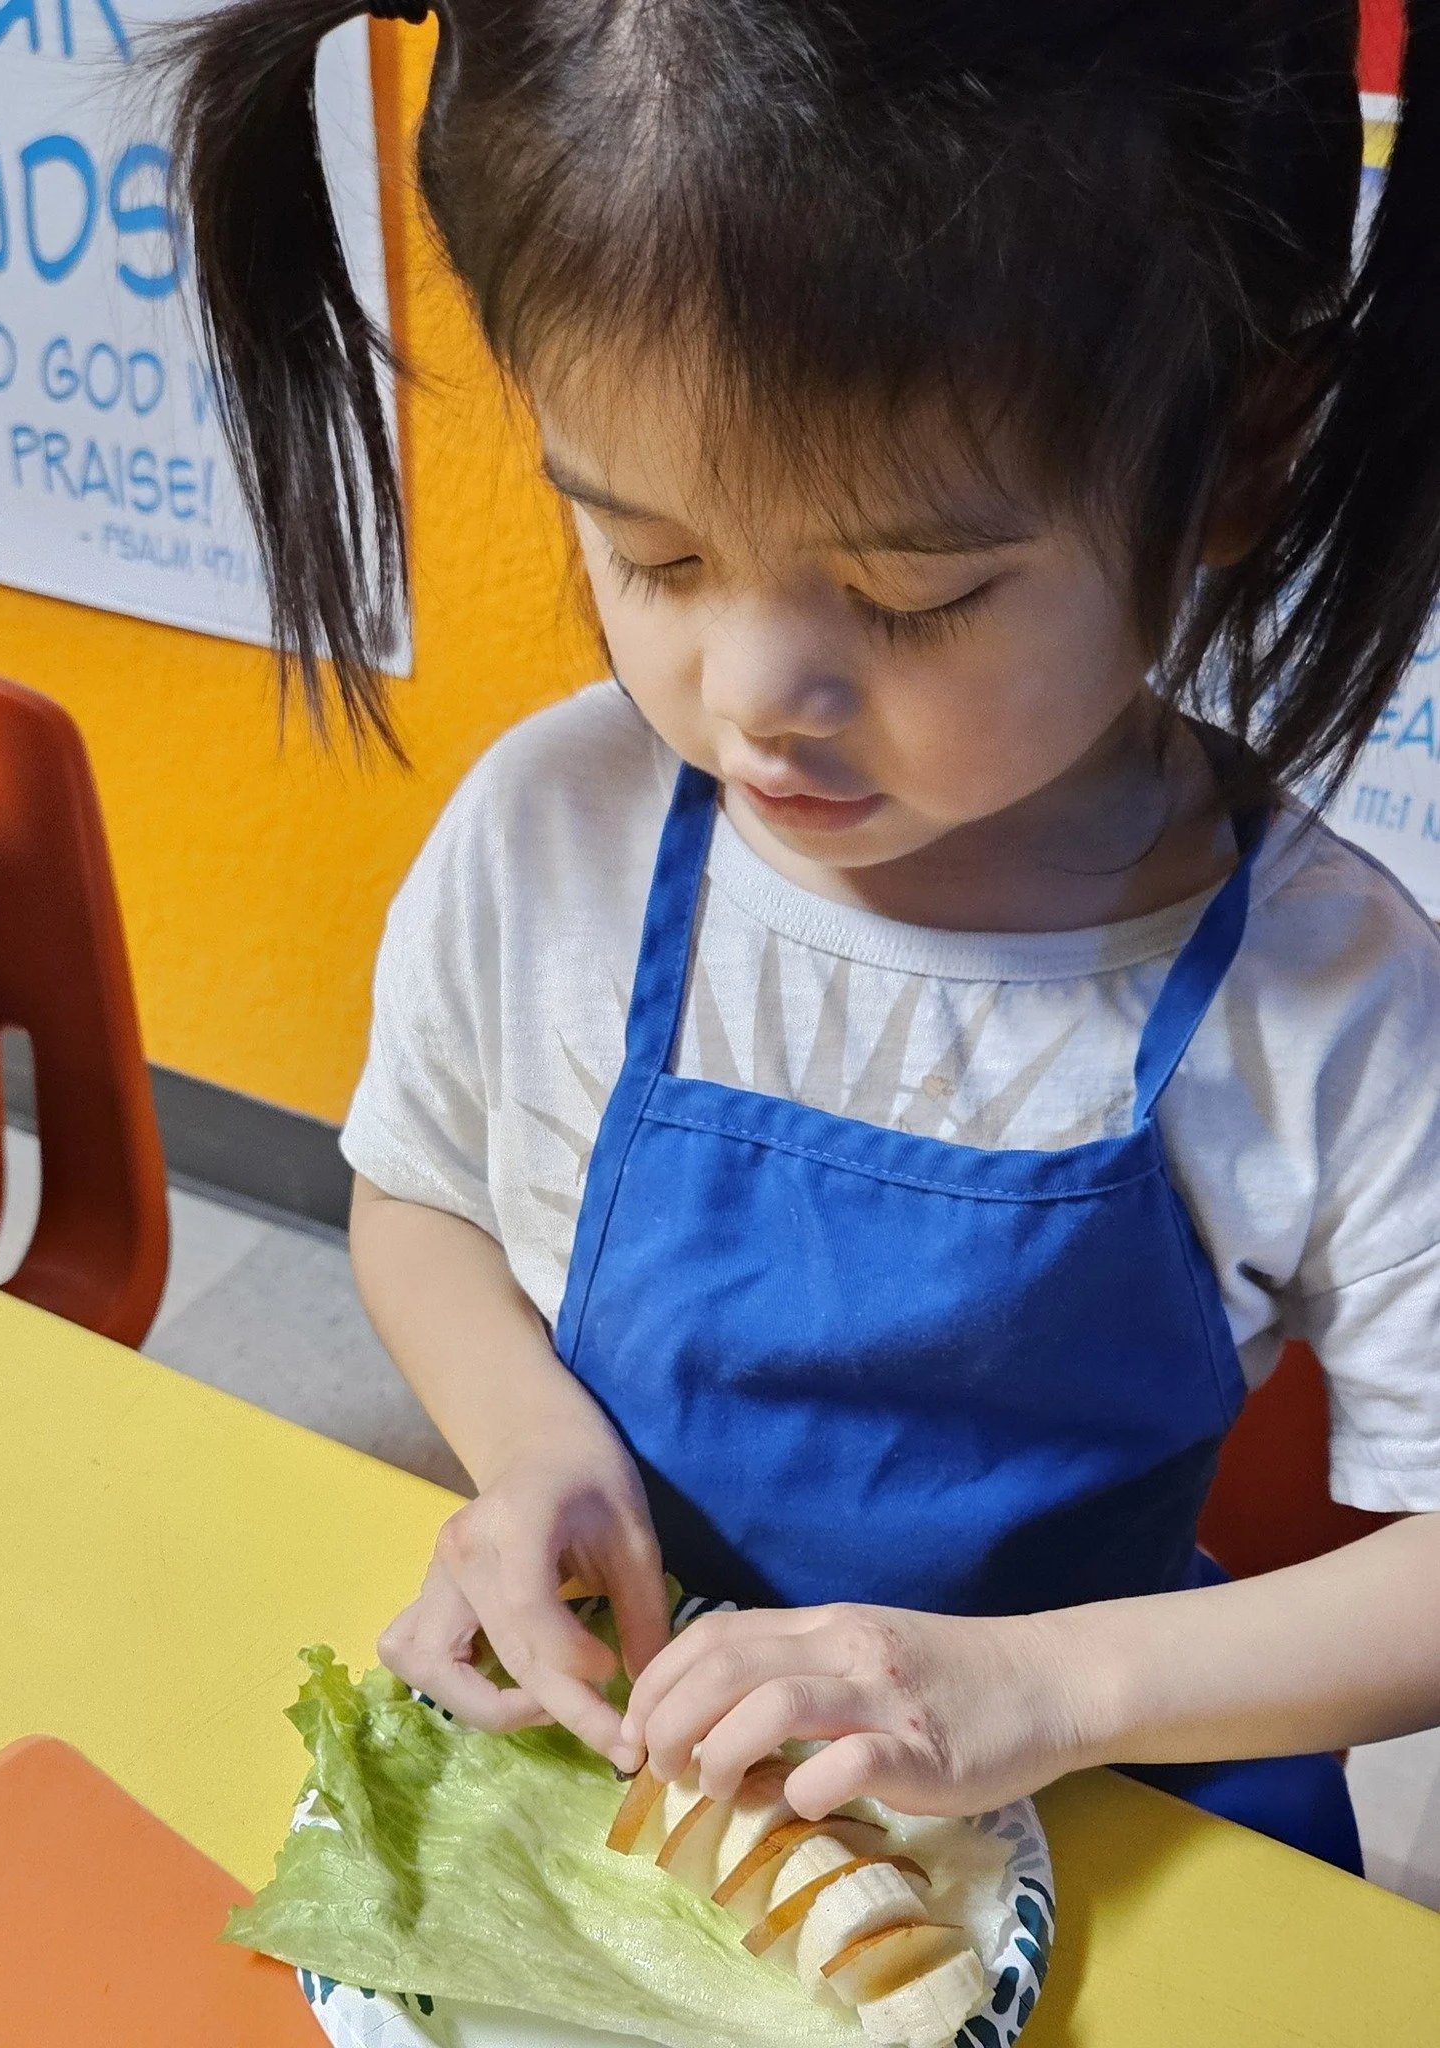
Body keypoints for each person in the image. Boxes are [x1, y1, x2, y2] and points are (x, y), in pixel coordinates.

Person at [168, 0, 1440, 1874]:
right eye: (654, 556)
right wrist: (529, 1449)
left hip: (1104, 1798)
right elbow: (420, 1193)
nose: (754, 696)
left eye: (912, 594)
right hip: (640, 1793)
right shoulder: (555, 834)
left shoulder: (1320, 993)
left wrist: (1041, 1697)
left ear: (1238, 459)